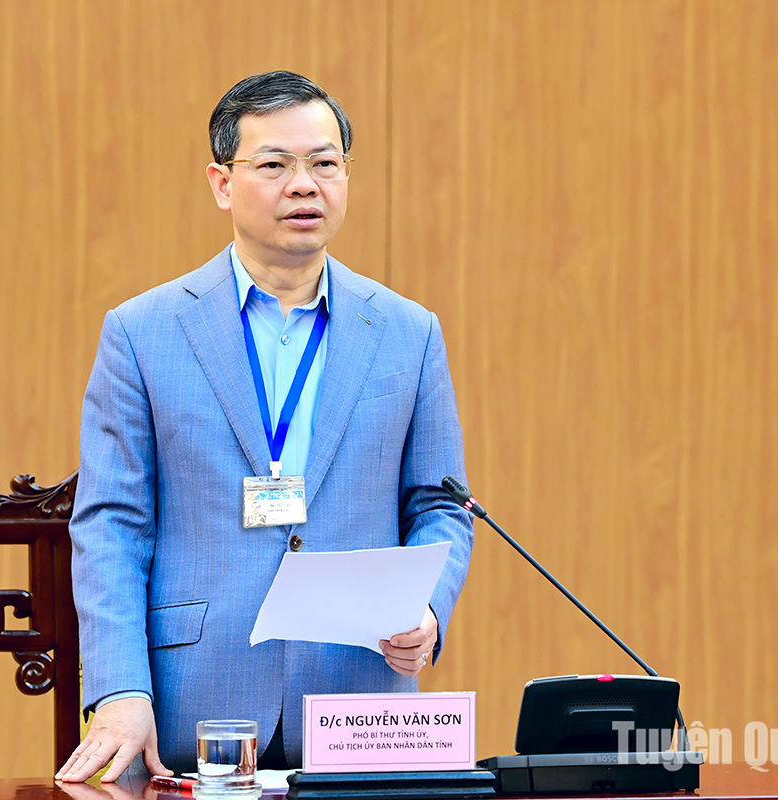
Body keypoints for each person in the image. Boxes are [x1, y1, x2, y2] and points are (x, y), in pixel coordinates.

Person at [55, 71, 473, 783]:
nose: (304, 185)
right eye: (275, 164)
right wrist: (120, 690)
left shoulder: (409, 333)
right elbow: (111, 525)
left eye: (325, 163)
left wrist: (428, 609)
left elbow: (440, 504)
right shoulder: (142, 332)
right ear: (222, 184)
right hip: (192, 702)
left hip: (360, 702)